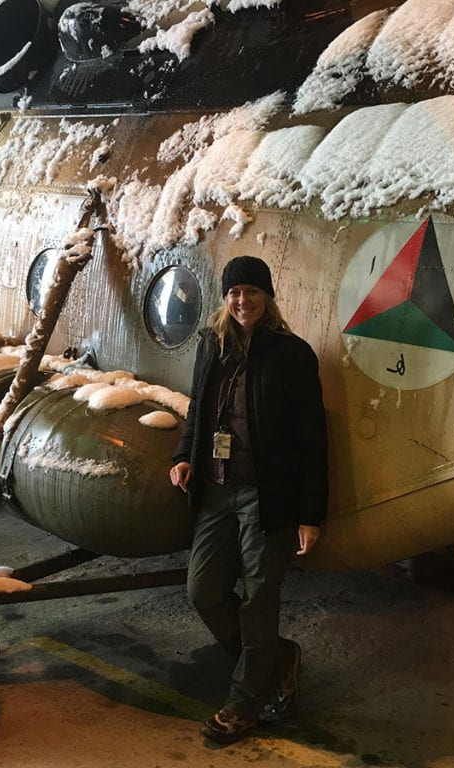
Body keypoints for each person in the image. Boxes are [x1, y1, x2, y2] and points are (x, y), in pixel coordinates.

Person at [169, 255, 328, 744]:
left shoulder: (292, 354)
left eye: (252, 293)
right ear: (225, 298)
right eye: (234, 293)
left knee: (259, 600)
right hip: (217, 488)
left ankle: (246, 701)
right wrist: (184, 454)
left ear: (267, 297)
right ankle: (276, 658)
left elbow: (313, 438)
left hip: (266, 494)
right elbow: (197, 406)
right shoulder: (211, 346)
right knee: (203, 590)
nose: (242, 301)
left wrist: (309, 513)